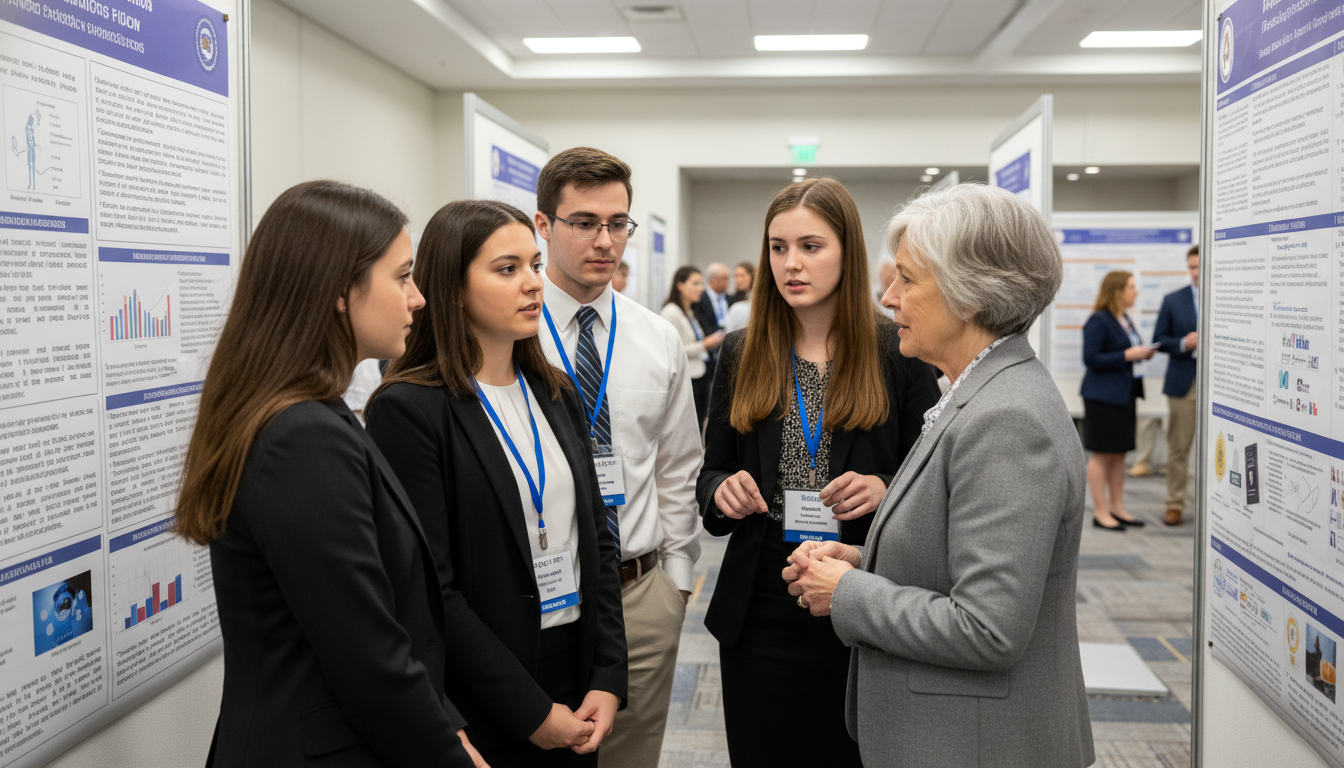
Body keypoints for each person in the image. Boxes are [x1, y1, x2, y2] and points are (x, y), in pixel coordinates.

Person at [785, 183, 1095, 768]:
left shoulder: (1006, 419)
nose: (888, 297)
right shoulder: (978, 393)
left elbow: (987, 627)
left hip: (977, 745)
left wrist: (847, 591)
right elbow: (957, 558)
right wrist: (862, 561)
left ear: (968, 294)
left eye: (907, 279)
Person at [176, 180, 484, 767]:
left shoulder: (312, 416)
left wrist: (449, 726)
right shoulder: (301, 440)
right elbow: (367, 655)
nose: (418, 298)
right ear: (342, 291)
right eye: (402, 277)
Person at [365, 199, 627, 767]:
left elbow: (598, 541)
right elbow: (431, 590)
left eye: (534, 265)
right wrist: (529, 712)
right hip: (484, 693)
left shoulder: (555, 391)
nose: (532, 283)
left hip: (577, 670)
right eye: (507, 269)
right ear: (453, 288)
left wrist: (608, 675)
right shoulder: (410, 409)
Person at [696, 178, 940, 767]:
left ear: (846, 251)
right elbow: (712, 472)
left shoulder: (897, 349)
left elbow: (936, 481)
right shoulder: (742, 350)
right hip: (761, 604)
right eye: (778, 248)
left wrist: (886, 488)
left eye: (810, 246)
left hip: (858, 594)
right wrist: (722, 491)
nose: (791, 264)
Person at [532, 147, 704, 768]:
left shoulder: (657, 338)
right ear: (544, 225)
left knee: (630, 756)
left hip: (639, 595)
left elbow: (678, 467)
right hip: (540, 593)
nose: (605, 241)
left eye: (617, 223)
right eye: (584, 222)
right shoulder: (509, 333)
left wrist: (676, 582)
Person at [1081, 271, 1155, 530]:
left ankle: (1118, 508)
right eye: (1131, 287)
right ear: (1117, 291)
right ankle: (1101, 512)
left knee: (1120, 453)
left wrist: (1142, 353)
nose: (1136, 292)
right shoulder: (1098, 320)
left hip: (1125, 394)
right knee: (1102, 454)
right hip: (1102, 397)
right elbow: (1090, 358)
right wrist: (1126, 355)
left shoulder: (1124, 317)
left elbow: (1128, 350)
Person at [1152, 244, 1200, 525]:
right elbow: (1159, 340)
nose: (1195, 273)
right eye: (1191, 267)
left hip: (1223, 384)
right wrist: (1183, 342)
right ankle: (1174, 503)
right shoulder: (1174, 299)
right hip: (1184, 382)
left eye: (1200, 267)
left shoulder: (1230, 295)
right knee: (1178, 448)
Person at [662, 265, 723, 424]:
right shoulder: (671, 312)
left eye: (700, 284)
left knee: (699, 422)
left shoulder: (689, 311)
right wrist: (705, 345)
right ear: (680, 286)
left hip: (699, 373)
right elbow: (672, 348)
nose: (700, 288)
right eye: (695, 284)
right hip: (686, 377)